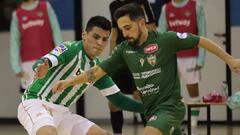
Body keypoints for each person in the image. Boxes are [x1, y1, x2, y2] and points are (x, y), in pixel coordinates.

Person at [53, 3, 240, 135]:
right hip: (150, 109)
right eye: (121, 29)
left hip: (170, 108)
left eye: (128, 28)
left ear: (141, 22)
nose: (125, 34)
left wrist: (230, 59)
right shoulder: (124, 49)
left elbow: (200, 40)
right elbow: (97, 71)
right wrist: (69, 81)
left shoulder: (166, 40)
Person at [17, 16, 144, 135]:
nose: (100, 43)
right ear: (84, 35)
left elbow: (119, 100)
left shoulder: (98, 70)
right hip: (36, 103)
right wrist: (42, 67)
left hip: (63, 113)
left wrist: (150, 108)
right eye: (96, 37)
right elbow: (43, 63)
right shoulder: (70, 48)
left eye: (105, 39)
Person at [158, 0, 206, 134]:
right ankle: (174, 124)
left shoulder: (196, 6)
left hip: (191, 55)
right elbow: (161, 33)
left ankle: (194, 124)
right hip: (171, 56)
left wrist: (201, 57)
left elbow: (202, 33)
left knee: (192, 89)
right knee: (170, 91)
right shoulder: (165, 8)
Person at [109, 0, 156, 134]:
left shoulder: (142, 2)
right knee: (113, 100)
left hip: (139, 58)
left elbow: (152, 29)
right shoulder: (114, 5)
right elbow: (114, 35)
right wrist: (111, 61)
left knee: (140, 96)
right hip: (121, 59)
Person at [10, 0, 62, 93]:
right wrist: (16, 67)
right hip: (27, 65)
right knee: (30, 99)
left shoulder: (46, 6)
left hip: (47, 61)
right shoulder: (17, 14)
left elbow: (56, 32)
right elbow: (14, 42)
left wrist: (60, 56)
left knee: (50, 96)